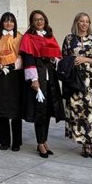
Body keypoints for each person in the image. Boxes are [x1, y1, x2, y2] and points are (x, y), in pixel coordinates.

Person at [61, 12, 92, 158]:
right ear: (76, 23)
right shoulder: (69, 39)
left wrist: (85, 59)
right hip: (75, 81)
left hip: (91, 81)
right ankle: (84, 143)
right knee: (78, 112)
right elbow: (63, 59)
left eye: (87, 21)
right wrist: (71, 62)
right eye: (81, 21)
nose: (84, 24)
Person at [20, 9, 64, 158]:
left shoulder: (50, 37)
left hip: (50, 76)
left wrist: (54, 59)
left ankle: (45, 140)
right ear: (32, 22)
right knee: (40, 111)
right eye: (36, 19)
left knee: (48, 111)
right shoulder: (28, 37)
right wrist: (34, 80)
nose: (39, 22)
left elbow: (57, 56)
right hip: (37, 76)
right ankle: (40, 143)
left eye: (42, 19)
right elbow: (28, 59)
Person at [0, 12, 24, 152]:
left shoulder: (20, 37)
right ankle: (4, 141)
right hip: (1, 76)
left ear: (15, 23)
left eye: (11, 21)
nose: (9, 24)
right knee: (1, 109)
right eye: (6, 21)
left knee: (16, 111)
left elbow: (23, 55)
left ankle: (16, 142)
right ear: (2, 22)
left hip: (15, 77)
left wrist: (14, 65)